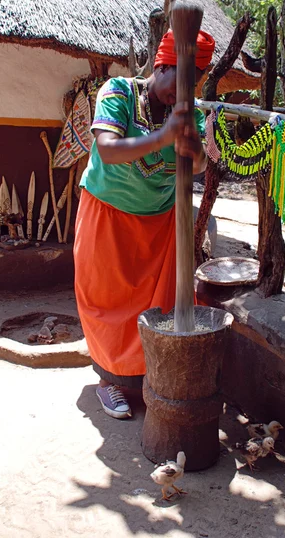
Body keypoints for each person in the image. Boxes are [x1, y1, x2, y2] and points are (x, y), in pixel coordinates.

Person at [74, 28, 215, 419]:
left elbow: (200, 165)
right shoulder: (117, 92)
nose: (180, 94)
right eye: (178, 83)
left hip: (159, 224)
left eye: (192, 85)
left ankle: (147, 376)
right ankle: (109, 381)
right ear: (162, 65)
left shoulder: (189, 111)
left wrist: (194, 147)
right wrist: (163, 136)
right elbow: (106, 147)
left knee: (157, 305)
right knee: (107, 303)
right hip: (108, 216)